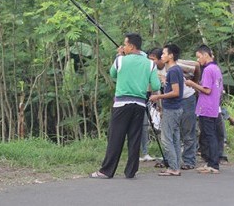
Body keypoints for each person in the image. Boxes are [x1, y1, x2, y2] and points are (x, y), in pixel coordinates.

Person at [90, 33, 160, 179]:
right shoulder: (150, 63)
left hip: (122, 103)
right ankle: (131, 171)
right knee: (134, 138)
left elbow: (113, 74)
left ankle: (106, 171)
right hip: (140, 104)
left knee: (116, 137)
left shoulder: (120, 60)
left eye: (125, 44)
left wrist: (119, 56)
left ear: (131, 46)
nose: (123, 47)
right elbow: (156, 85)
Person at [185, 44, 223, 174]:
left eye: (198, 57)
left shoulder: (207, 70)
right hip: (213, 106)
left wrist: (192, 84)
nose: (198, 60)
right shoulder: (216, 68)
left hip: (206, 107)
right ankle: (211, 162)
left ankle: (213, 164)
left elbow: (207, 90)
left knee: (209, 135)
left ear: (205, 55)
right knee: (210, 135)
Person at [149, 44, 184, 176]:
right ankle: (176, 165)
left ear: (171, 55)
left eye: (164, 54)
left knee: (166, 138)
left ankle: (173, 168)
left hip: (172, 108)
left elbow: (176, 92)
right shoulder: (175, 70)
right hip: (176, 108)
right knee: (174, 137)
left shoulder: (173, 71)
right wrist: (165, 81)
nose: (161, 56)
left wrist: (158, 96)